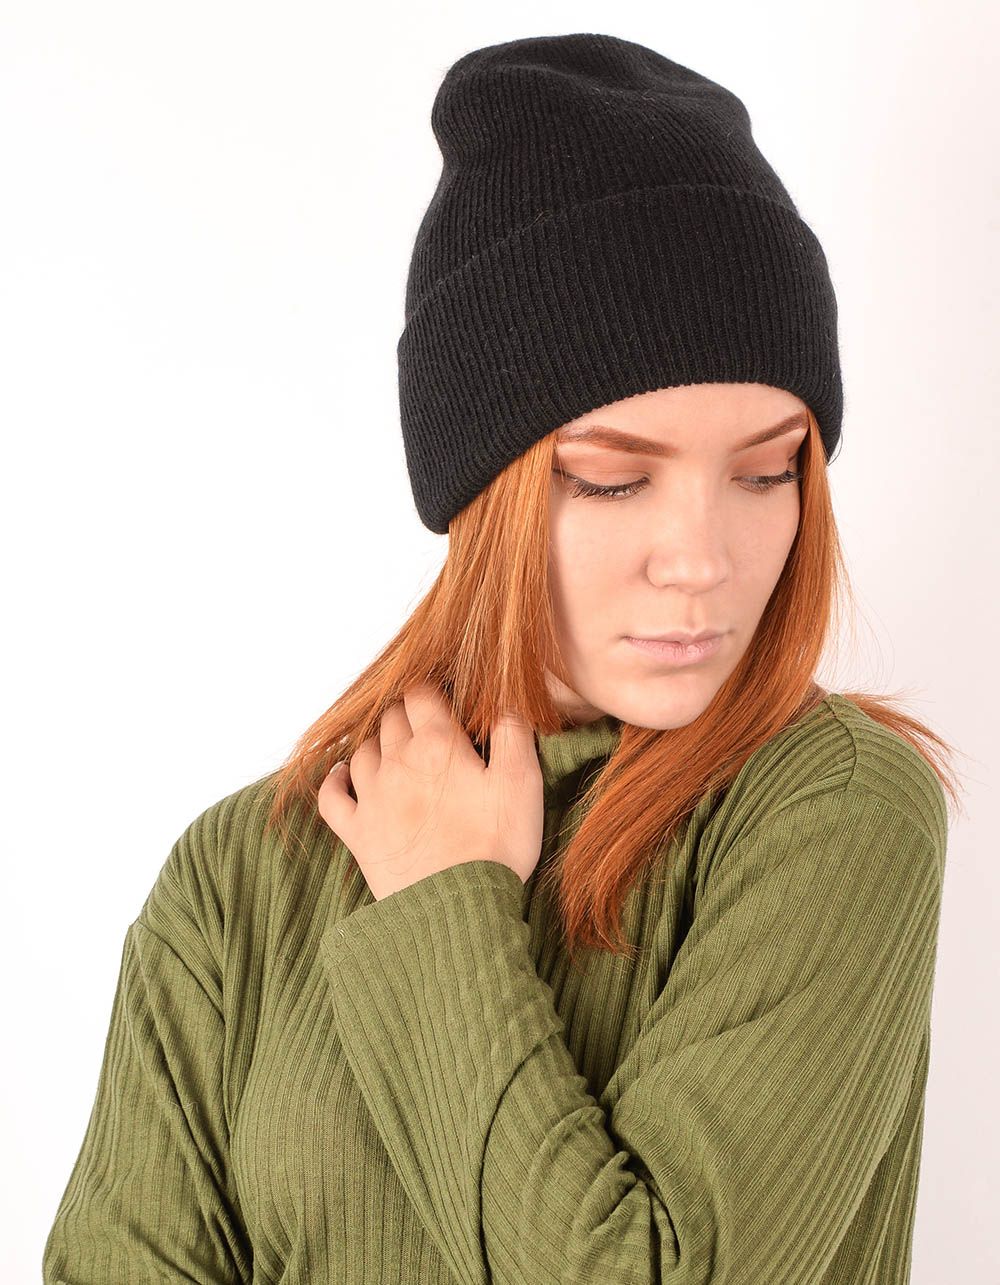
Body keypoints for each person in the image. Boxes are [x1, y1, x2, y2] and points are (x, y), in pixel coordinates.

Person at [43, 32, 962, 1284]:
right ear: (487, 488)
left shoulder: (831, 808)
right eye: (612, 479)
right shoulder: (242, 872)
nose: (701, 559)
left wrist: (443, 905)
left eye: (766, 471)